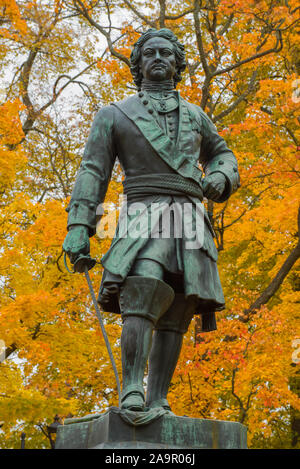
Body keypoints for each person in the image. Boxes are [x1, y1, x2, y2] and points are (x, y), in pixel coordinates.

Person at [63, 28, 240, 412]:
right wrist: (79, 226)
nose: (157, 58)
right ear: (138, 63)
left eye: (165, 53)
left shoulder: (196, 116)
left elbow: (223, 154)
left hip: (190, 217)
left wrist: (221, 176)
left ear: (177, 64)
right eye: (149, 53)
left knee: (179, 304)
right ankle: (131, 390)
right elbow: (93, 170)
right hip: (144, 212)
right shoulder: (115, 115)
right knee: (143, 285)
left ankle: (159, 398)